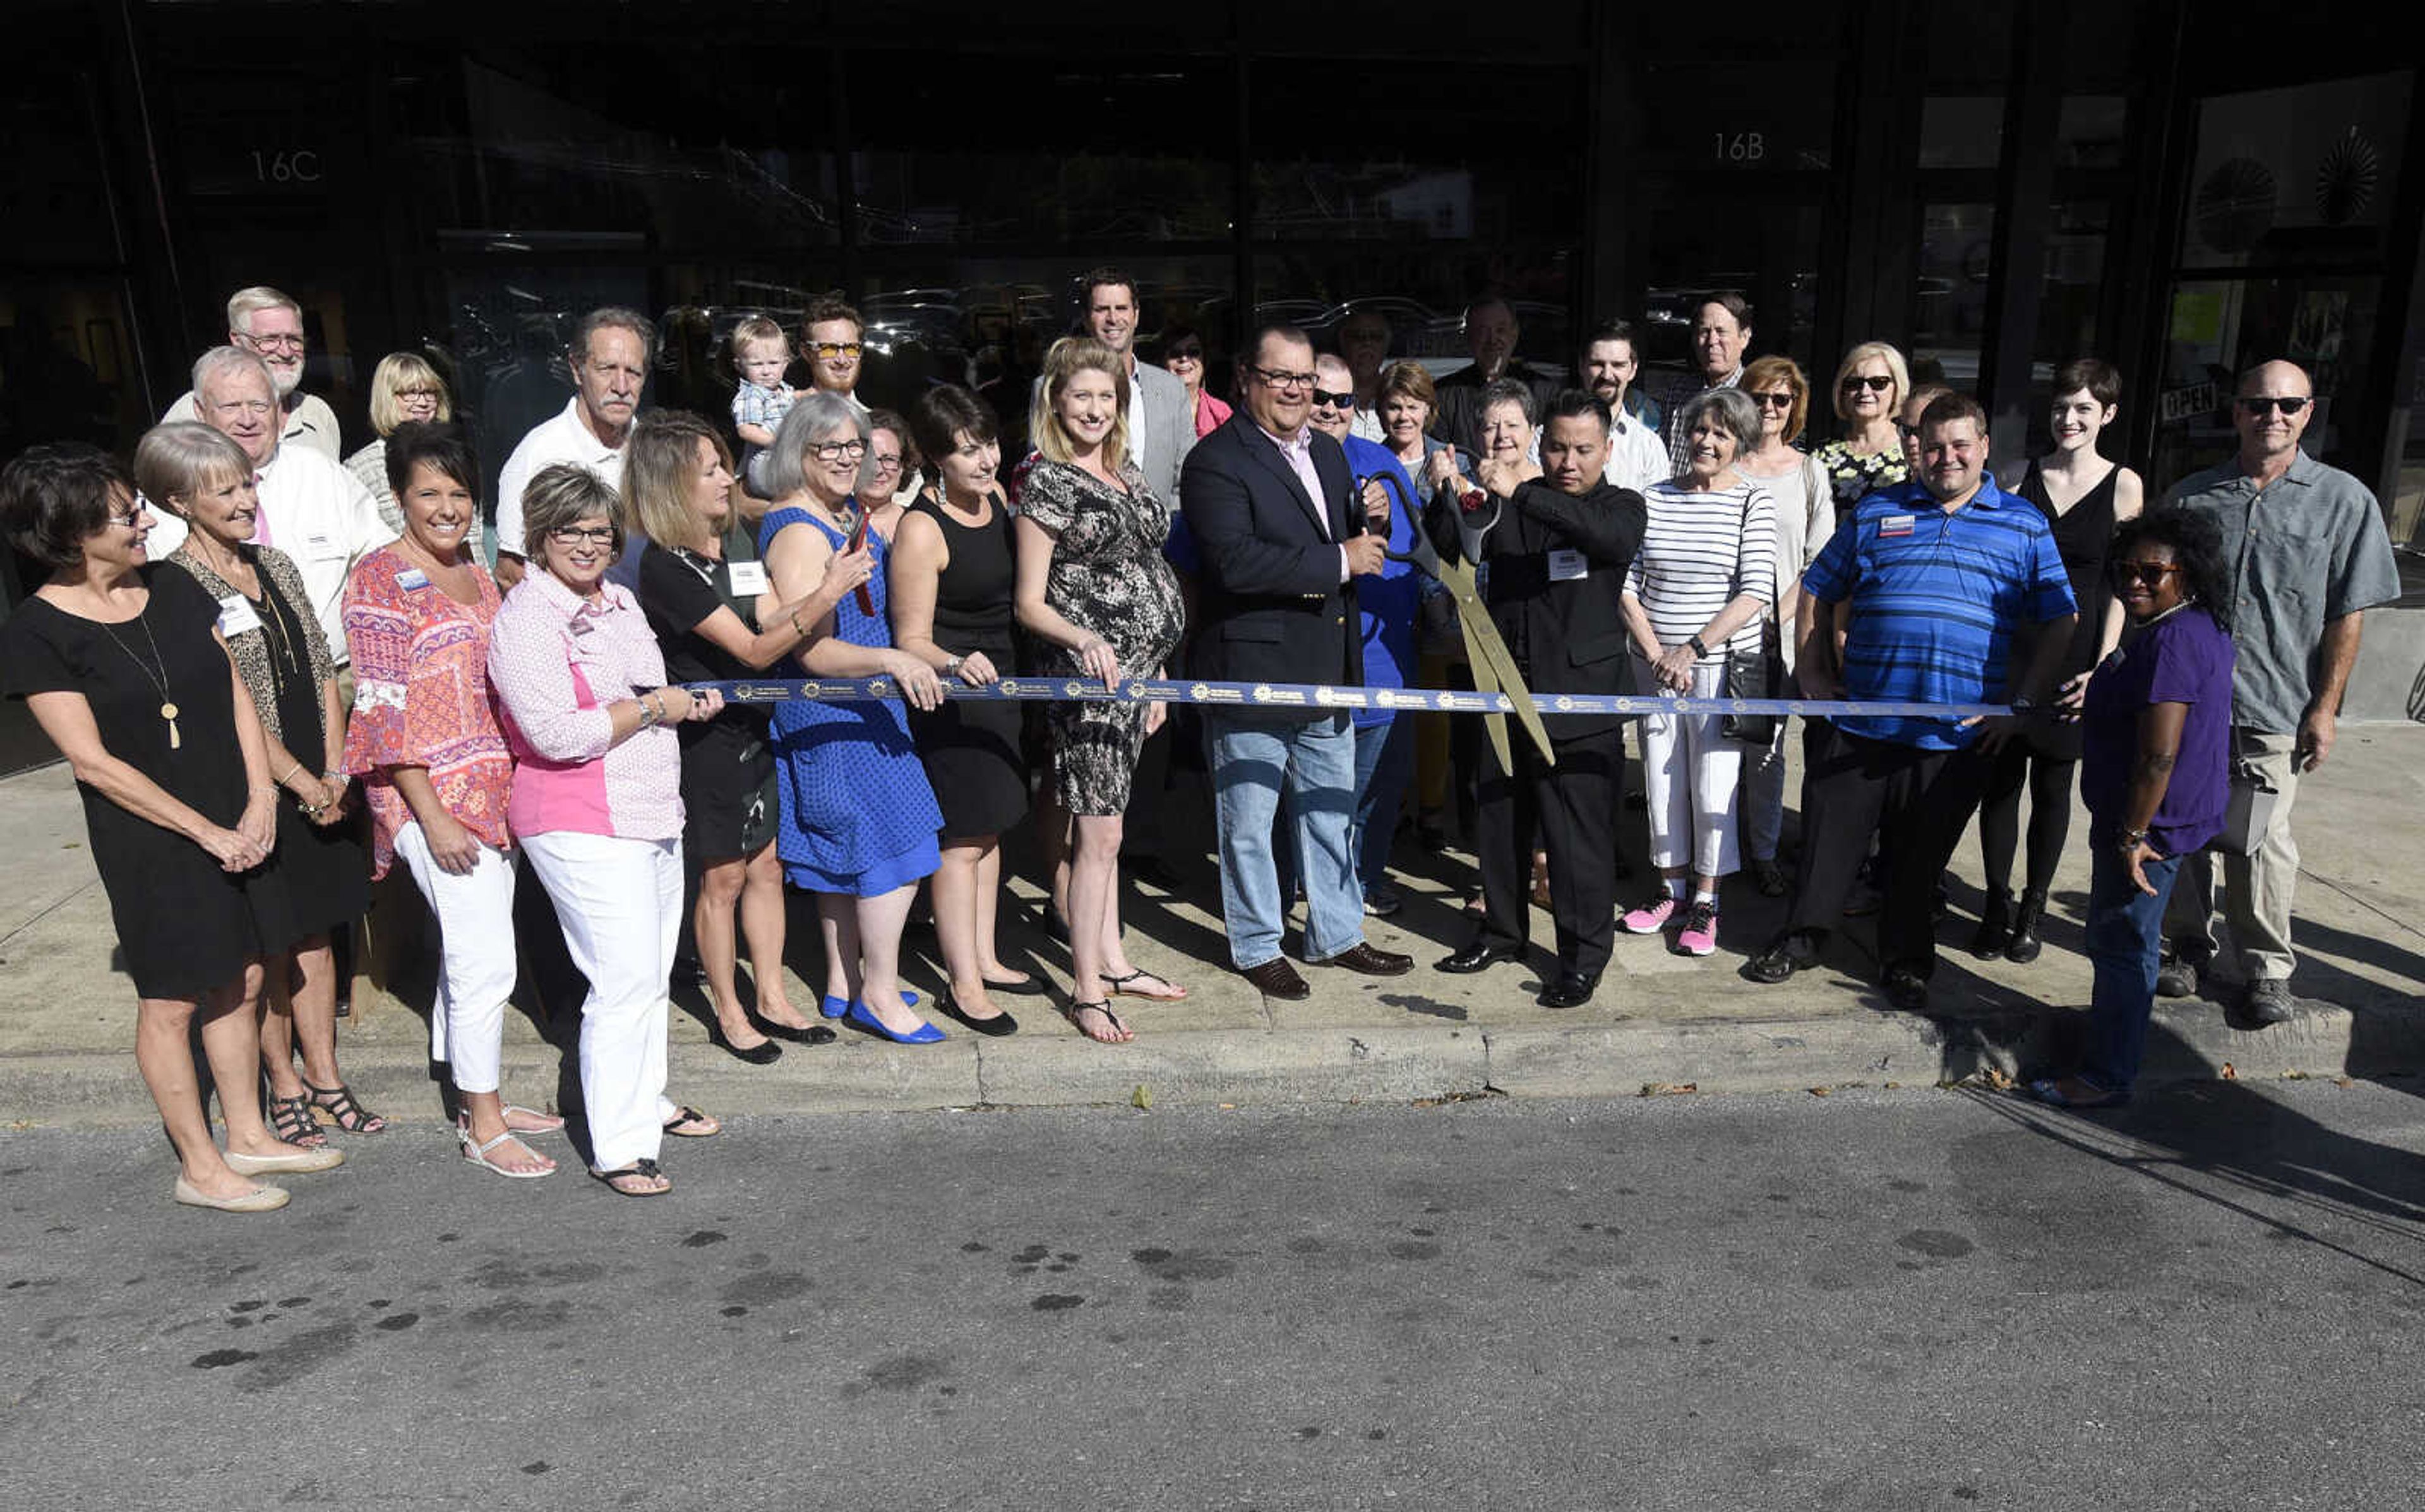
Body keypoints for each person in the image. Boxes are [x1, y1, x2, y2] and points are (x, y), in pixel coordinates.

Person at [2, 444, 340, 1211]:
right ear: (69, 530)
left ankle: (249, 1136)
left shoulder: (175, 587)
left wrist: (259, 797)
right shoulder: (36, 632)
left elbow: (234, 690)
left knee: (245, 971)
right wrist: (206, 831)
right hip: (153, 835)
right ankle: (200, 1165)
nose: (143, 520)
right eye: (126, 514)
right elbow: (92, 763)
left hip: (234, 809)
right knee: (173, 998)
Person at [1748, 392, 2078, 1010]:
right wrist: (1813, 670)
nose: (1946, 457)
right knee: (1827, 843)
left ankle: (1904, 960)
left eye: (1959, 445)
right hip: (1860, 719)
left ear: (1984, 448)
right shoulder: (1877, 512)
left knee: (1916, 861)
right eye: (1933, 446)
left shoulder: (2023, 525)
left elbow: (2061, 618)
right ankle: (1802, 938)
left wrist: (2022, 704)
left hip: (1953, 737)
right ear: (1916, 450)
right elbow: (1817, 587)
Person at [486, 463, 727, 1196]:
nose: (589, 545)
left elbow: (644, 690)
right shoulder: (527, 618)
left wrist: (683, 700)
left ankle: (644, 1097)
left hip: (651, 809)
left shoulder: (619, 599)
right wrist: (658, 710)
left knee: (650, 973)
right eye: (571, 531)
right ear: (538, 535)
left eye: (600, 531)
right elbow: (556, 733)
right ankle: (619, 1145)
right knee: (620, 981)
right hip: (580, 818)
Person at [143, 421, 379, 1144]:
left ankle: (327, 1074)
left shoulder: (274, 563)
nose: (247, 498)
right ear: (181, 501)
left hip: (320, 769)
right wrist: (303, 781)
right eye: (227, 489)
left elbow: (319, 662)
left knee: (319, 935)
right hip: (259, 782)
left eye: (248, 483)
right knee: (270, 945)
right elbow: (229, 706)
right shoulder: (175, 586)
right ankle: (283, 1085)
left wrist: (337, 770)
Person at [340, 422, 565, 1177]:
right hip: (426, 797)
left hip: (495, 787)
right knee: (484, 961)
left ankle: (475, 1097)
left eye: (459, 493)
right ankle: (484, 1125)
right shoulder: (377, 579)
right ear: (400, 498)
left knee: (471, 948)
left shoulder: (477, 568)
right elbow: (377, 708)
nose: (446, 508)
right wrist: (430, 815)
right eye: (428, 493)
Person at [2159, 359, 2403, 1025]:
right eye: (2258, 404)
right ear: (2236, 412)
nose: (2273, 416)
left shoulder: (2343, 500)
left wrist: (2325, 707)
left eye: (2288, 405)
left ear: (2309, 412)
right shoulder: (2191, 498)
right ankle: (2186, 945)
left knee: (2262, 840)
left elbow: (2347, 612)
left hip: (2277, 701)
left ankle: (2266, 969)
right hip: (2193, 701)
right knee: (2183, 828)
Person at [1180, 323, 1413, 1001]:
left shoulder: (1331, 455)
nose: (1294, 390)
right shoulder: (1215, 461)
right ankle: (1256, 944)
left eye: (1304, 378)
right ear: (1246, 378)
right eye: (1279, 376)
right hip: (1252, 671)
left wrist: (1366, 522)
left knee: (1329, 811)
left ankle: (1337, 934)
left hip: (1327, 666)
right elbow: (1234, 562)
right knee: (1249, 823)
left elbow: (1350, 540)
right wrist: (1341, 558)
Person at [628, 412, 863, 1063]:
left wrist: (820, 589)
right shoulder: (663, 567)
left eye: (723, 465)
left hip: (755, 725)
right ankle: (728, 1011)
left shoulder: (730, 537)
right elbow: (757, 652)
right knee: (723, 877)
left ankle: (772, 996)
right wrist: (826, 596)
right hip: (707, 737)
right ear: (672, 484)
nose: (726, 479)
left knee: (767, 865)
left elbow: (769, 616)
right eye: (709, 470)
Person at [1430, 387, 1647, 1006]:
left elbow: (1603, 541)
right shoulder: (1507, 503)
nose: (1568, 461)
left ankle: (1583, 956)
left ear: (1607, 449)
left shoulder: (1620, 507)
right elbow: (1451, 549)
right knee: (1499, 820)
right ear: (1540, 445)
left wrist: (1523, 490)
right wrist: (1447, 492)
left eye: (1583, 449)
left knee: (1576, 837)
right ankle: (1502, 930)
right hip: (1504, 691)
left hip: (1577, 701)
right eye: (1556, 447)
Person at [2027, 510, 2237, 1109]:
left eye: (2153, 571)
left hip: (2148, 827)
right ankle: (2112, 1061)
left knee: (2122, 947)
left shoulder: (2172, 642)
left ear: (2188, 573)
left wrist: (2132, 834)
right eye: (2126, 570)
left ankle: (2104, 1076)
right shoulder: (2197, 625)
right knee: (2130, 945)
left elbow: (2158, 757)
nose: (2135, 582)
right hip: (2162, 819)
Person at [758, 393, 949, 1046]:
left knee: (848, 858)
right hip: (838, 711)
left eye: (853, 446)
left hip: (856, 707)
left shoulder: (832, 514)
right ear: (796, 453)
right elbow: (808, 645)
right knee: (901, 849)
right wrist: (892, 657)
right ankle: (878, 992)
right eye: (828, 448)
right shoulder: (799, 530)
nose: (846, 458)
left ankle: (843, 983)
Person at [1017, 337, 1191, 1042]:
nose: (1094, 409)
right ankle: (1087, 989)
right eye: (1081, 396)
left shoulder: (1126, 472)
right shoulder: (1049, 481)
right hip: (1090, 686)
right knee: (1098, 834)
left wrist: (1157, 667)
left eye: (1106, 396)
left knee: (1111, 835)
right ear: (1057, 400)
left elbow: (1147, 565)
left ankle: (1113, 962)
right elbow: (1030, 601)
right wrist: (1084, 639)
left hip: (1137, 682)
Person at [1971, 358, 2144, 963]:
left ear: (2108, 414)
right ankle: (1995, 902)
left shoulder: (2124, 485)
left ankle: (2032, 908)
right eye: (2061, 408)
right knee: (1998, 783)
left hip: (2081, 650)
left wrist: (2103, 666)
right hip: (2017, 647)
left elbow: (2125, 584)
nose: (2069, 420)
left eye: (2083, 410)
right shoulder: (2018, 474)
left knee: (2052, 786)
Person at [893, 384, 1038, 1034]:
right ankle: (963, 982)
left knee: (994, 829)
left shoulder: (999, 499)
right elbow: (911, 638)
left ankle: (985, 955)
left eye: (990, 445)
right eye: (967, 451)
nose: (985, 461)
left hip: (1003, 689)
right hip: (954, 699)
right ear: (933, 459)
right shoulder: (921, 528)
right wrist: (953, 662)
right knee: (960, 842)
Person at [1617, 387, 1776, 958]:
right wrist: (1658, 650)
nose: (1708, 441)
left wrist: (1691, 650)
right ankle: (1670, 888)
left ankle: (1707, 899)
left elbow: (1755, 590)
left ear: (1740, 442)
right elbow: (1627, 584)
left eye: (1722, 433)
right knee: (1660, 777)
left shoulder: (1753, 501)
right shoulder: (1652, 497)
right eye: (1701, 430)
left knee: (1713, 783)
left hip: (1717, 666)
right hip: (1653, 664)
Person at [168, 347, 395, 687]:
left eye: (259, 405)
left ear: (278, 409)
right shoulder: (175, 494)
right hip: (233, 691)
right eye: (231, 407)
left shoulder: (322, 474)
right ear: (201, 412)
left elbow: (382, 557)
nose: (247, 419)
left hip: (339, 679)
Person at [1308, 354, 1421, 916]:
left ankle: (1367, 879)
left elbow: (1409, 558)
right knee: (1321, 793)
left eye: (1343, 399)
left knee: (1377, 786)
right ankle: (1318, 887)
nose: (1330, 409)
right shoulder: (1290, 461)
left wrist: (1380, 522)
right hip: (1316, 655)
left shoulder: (1381, 463)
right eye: (1320, 397)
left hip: (1382, 654)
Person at [1733, 355, 1835, 896]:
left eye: (1781, 398)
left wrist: (1776, 614)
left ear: (1795, 406)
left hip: (1780, 631)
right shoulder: (1725, 463)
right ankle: (1716, 857)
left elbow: (1819, 561)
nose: (1770, 407)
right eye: (1759, 397)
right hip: (1723, 628)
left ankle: (1765, 852)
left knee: (1767, 751)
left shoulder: (1810, 471)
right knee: (1716, 749)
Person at [494, 307, 653, 590]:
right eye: (606, 369)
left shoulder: (658, 450)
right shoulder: (538, 455)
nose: (621, 386)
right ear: (577, 370)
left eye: (633, 372)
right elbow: (510, 572)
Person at [161, 285, 343, 460]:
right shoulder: (194, 413)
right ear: (238, 341)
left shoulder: (315, 412)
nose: (286, 352)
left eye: (294, 339)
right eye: (270, 339)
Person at [1072, 267, 1194, 509]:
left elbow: (1187, 478)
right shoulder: (1052, 388)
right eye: (1101, 309)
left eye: (1121, 308)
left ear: (1136, 315)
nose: (1113, 319)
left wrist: (1163, 528)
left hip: (1160, 541)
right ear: (1086, 318)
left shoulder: (1171, 389)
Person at [1429, 293, 1556, 450]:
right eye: (1482, 331)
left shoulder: (1544, 393)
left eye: (1501, 330)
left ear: (1514, 333)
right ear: (1468, 337)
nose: (1492, 340)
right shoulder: (1443, 397)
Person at [345, 352, 453, 536]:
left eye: (430, 392)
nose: (423, 402)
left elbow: (472, 535)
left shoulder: (452, 454)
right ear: (387, 398)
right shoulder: (362, 468)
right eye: (411, 393)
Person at [1809, 343, 1915, 515]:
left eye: (1878, 383)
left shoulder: (1911, 447)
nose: (1865, 391)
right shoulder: (1822, 455)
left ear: (1897, 388)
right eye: (1854, 383)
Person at [1665, 295, 1753, 472]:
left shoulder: (1755, 398)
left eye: (1721, 332)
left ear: (1744, 337)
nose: (1712, 341)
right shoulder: (1679, 392)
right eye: (1704, 332)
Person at [1579, 323, 1670, 493]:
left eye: (1618, 365)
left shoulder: (1649, 447)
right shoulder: (1546, 437)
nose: (1607, 375)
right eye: (1598, 364)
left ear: (1633, 370)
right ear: (1581, 366)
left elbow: (1658, 516)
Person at [728, 314, 797, 497]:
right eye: (757, 364)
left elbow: (792, 397)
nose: (766, 371)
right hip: (766, 461)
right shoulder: (752, 394)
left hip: (784, 458)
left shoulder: (781, 390)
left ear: (785, 363)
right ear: (740, 366)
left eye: (773, 363)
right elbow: (746, 430)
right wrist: (779, 443)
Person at [1160, 324, 1232, 440]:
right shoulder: (1150, 411)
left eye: (1193, 352)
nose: (1184, 359)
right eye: (1175, 353)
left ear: (1204, 359)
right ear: (1163, 362)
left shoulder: (1222, 412)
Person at [799, 297, 870, 412]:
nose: (842, 360)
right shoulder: (779, 418)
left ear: (861, 352)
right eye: (829, 349)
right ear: (806, 353)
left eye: (851, 349)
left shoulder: (874, 425)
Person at [1334, 306, 1392, 442]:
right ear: (1343, 343)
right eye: (1358, 337)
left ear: (1386, 345)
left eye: (1376, 337)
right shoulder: (1326, 400)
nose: (1367, 343)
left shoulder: (1398, 396)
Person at [863, 408, 920, 535]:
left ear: (904, 466)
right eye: (868, 458)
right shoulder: (831, 522)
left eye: (889, 459)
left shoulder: (919, 525)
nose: (877, 470)